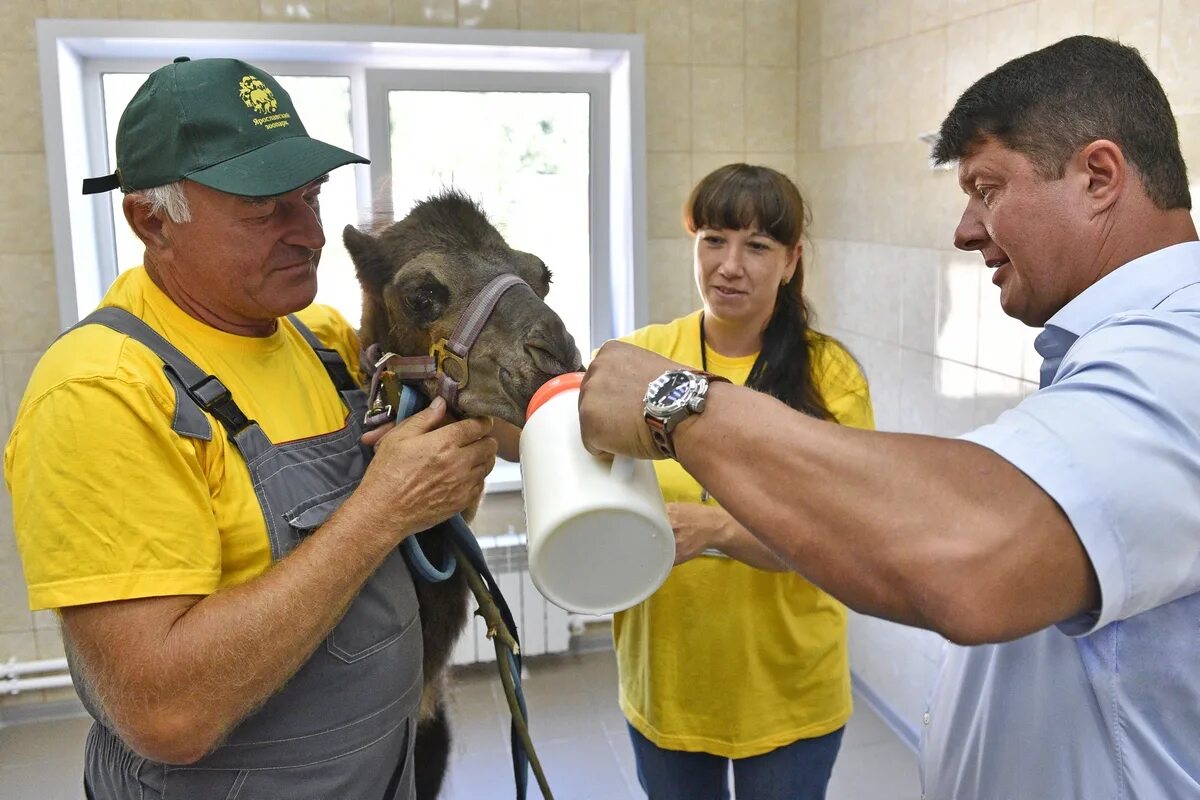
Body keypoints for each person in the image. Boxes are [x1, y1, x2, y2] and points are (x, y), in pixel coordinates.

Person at [579, 35, 1200, 799]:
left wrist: (674, 403)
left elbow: (974, 557)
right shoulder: (1118, 350)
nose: (964, 231)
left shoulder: (1185, 351)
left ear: (1099, 176)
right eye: (713, 241)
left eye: (987, 188)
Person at [3, 58, 496, 799]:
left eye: (312, 196)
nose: (312, 235)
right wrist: (381, 509)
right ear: (152, 220)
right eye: (267, 209)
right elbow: (166, 714)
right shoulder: (101, 393)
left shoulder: (320, 339)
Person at [614, 163, 873, 800]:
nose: (730, 265)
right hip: (670, 681)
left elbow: (845, 540)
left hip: (787, 688)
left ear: (791, 261)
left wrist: (719, 531)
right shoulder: (639, 359)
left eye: (757, 246)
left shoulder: (828, 375)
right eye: (713, 239)